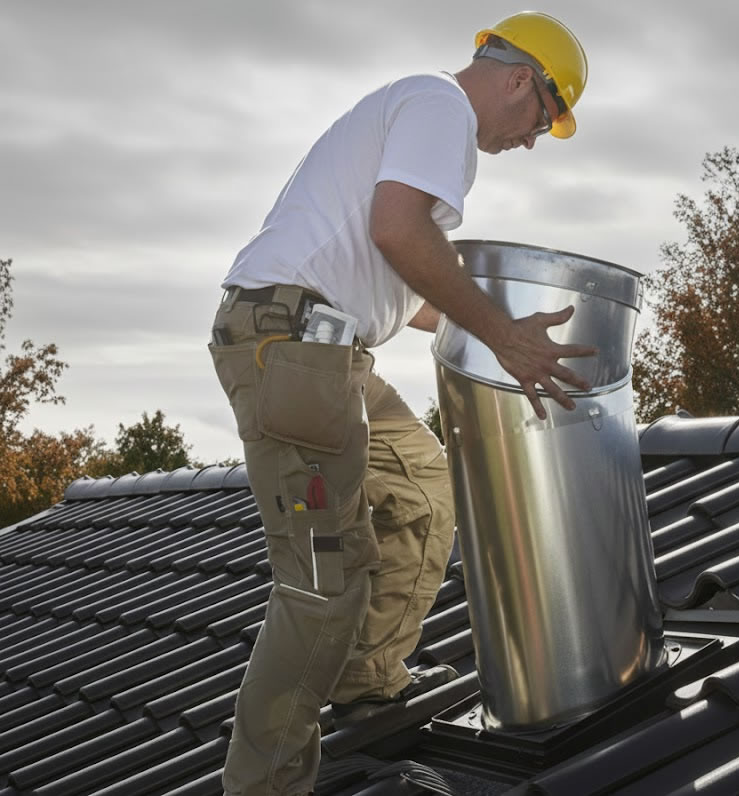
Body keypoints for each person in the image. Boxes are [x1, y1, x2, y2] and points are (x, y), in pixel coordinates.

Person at [209, 11, 592, 796]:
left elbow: (404, 286)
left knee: (422, 481)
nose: (530, 139)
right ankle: (264, 785)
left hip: (325, 349)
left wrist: (494, 329)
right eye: (541, 117)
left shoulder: (418, 110)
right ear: (520, 79)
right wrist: (503, 335)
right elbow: (399, 231)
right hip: (292, 346)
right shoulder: (438, 104)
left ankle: (366, 675)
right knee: (324, 582)